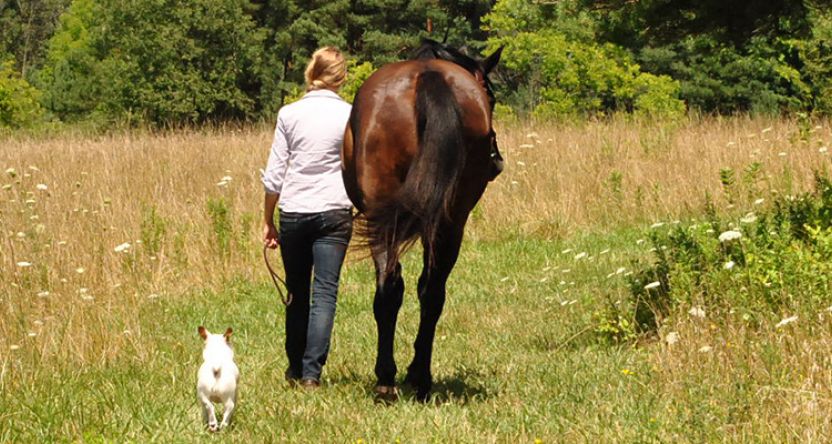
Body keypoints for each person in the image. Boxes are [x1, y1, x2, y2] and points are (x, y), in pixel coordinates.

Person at [262, 47, 353, 389]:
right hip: (334, 210)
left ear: (310, 73)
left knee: (296, 291)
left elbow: (275, 175)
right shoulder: (349, 114)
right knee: (325, 294)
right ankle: (312, 374)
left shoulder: (289, 114)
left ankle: (294, 368)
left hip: (295, 212)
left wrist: (267, 220)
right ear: (340, 77)